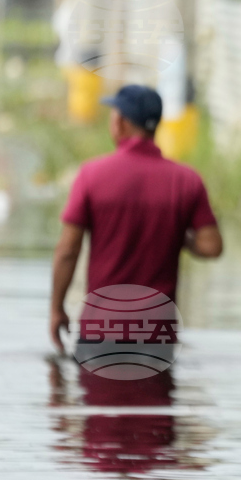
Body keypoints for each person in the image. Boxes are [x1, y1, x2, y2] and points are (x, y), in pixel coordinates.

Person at [50, 85, 222, 353]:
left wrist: (56, 308)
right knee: (155, 395)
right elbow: (212, 246)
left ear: (119, 122)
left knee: (95, 395)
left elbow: (67, 251)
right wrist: (177, 233)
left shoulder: (92, 175)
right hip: (157, 331)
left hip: (101, 327)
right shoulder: (187, 180)